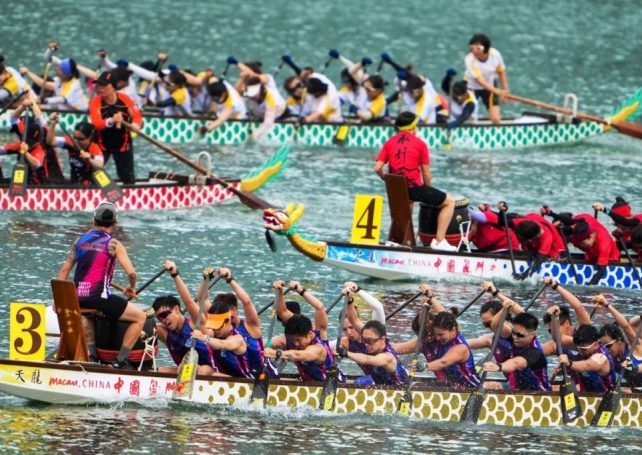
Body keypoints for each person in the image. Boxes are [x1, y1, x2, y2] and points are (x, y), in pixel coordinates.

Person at [56, 202, 147, 368]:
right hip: (98, 298)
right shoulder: (114, 244)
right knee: (140, 317)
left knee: (88, 313)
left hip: (76, 298)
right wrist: (131, 288)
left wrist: (59, 300)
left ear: (94, 219)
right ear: (115, 224)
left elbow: (63, 272)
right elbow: (132, 274)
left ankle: (92, 356)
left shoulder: (79, 241)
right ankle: (120, 361)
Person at [374, 111, 457, 251]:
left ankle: (400, 240)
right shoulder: (420, 144)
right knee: (450, 202)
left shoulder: (389, 143)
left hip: (396, 189)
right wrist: (428, 192)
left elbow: (377, 168)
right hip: (414, 189)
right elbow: (426, 173)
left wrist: (386, 179)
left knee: (407, 202)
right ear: (413, 128)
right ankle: (439, 241)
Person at [151, 260, 216, 375]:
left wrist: (175, 274)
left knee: (200, 370)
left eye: (164, 315)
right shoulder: (165, 333)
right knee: (157, 370)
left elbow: (189, 302)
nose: (163, 320)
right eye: (159, 318)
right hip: (185, 373)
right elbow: (140, 321)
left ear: (176, 309)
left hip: (211, 371)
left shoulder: (195, 324)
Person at [200, 266, 267, 377]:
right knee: (202, 369)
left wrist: (230, 279)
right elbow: (203, 299)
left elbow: (247, 302)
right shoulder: (217, 320)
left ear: (234, 310)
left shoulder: (250, 326)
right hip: (233, 374)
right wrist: (205, 279)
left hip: (259, 377)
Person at [481, 299, 551, 391]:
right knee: (485, 385)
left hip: (538, 394)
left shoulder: (535, 352)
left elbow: (516, 363)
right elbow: (495, 326)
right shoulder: (517, 337)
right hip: (517, 389)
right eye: (513, 333)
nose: (515, 337)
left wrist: (499, 366)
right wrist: (504, 308)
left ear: (532, 335)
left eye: (519, 335)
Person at [89, 70, 143, 184]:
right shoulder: (95, 102)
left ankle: (129, 193)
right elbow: (97, 124)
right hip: (101, 144)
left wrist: (136, 125)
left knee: (127, 177)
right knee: (94, 173)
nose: (100, 88)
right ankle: (98, 189)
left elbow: (137, 115)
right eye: (99, 85)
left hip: (123, 143)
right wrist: (112, 120)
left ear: (113, 87)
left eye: (104, 85)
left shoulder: (125, 99)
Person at [540, 207, 620, 284]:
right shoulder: (576, 233)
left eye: (583, 243)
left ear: (592, 236)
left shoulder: (603, 242)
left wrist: (588, 288)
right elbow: (560, 237)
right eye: (580, 243)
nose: (581, 245)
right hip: (591, 254)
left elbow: (601, 271)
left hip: (610, 257)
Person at [0, 94, 64, 184]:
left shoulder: (44, 139)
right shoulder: (24, 135)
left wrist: (25, 152)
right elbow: (13, 118)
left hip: (48, 181)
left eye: (30, 142)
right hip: (28, 179)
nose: (28, 144)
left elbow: (36, 164)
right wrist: (23, 105)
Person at [264, 313, 341, 382]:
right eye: (293, 340)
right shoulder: (299, 340)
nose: (296, 344)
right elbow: (268, 342)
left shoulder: (318, 348)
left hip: (331, 387)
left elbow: (299, 355)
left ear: (310, 334)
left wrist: (276, 353)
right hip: (310, 385)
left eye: (298, 340)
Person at [192, 300, 252, 378]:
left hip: (243, 381)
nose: (215, 330)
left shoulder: (237, 339)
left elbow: (222, 344)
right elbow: (202, 299)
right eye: (213, 326)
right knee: (191, 367)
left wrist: (203, 337)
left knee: (211, 374)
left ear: (229, 321)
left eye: (218, 326)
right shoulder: (213, 333)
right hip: (225, 376)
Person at [337, 320, 408, 386]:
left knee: (358, 383)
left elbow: (367, 359)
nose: (366, 345)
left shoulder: (388, 356)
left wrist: (345, 353)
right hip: (382, 389)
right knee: (357, 383)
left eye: (370, 341)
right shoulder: (374, 349)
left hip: (398, 392)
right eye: (364, 340)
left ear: (382, 339)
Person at [20, 43, 88, 111]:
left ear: (65, 74)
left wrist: (44, 100)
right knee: (42, 106)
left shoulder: (74, 85)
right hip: (64, 107)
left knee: (50, 104)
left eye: (60, 69)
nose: (57, 68)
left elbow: (62, 99)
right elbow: (47, 57)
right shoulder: (63, 68)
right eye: (59, 66)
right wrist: (51, 49)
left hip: (80, 112)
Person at [594, 294, 642, 389]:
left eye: (608, 346)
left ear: (619, 340)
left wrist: (607, 305)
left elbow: (626, 326)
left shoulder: (635, 346)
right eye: (604, 347)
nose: (606, 350)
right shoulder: (610, 359)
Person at [47, 112, 104, 185]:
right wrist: (53, 124)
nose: (76, 141)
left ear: (89, 138)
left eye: (80, 139)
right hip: (74, 183)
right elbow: (50, 142)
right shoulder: (70, 142)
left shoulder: (93, 147)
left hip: (91, 185)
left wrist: (89, 158)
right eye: (75, 137)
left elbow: (100, 165)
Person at [464, 33, 509, 124]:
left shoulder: (495, 55)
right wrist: (497, 91)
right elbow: (480, 81)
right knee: (470, 119)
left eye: (478, 48)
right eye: (472, 48)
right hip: (471, 88)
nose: (474, 51)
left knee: (495, 119)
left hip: (490, 85)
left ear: (486, 49)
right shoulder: (469, 59)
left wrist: (505, 90)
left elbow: (501, 71)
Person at [557, 323, 616, 393]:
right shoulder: (585, 348)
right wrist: (554, 317)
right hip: (586, 394)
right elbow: (559, 338)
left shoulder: (601, 357)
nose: (580, 351)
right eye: (578, 348)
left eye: (583, 349)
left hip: (604, 397)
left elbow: (587, 365)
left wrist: (569, 363)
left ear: (596, 345)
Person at [243, 75, 287, 141]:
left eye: (255, 95)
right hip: (261, 114)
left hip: (281, 116)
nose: (253, 97)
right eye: (251, 95)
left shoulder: (271, 98)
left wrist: (254, 135)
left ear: (261, 90)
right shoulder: (247, 94)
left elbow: (268, 122)